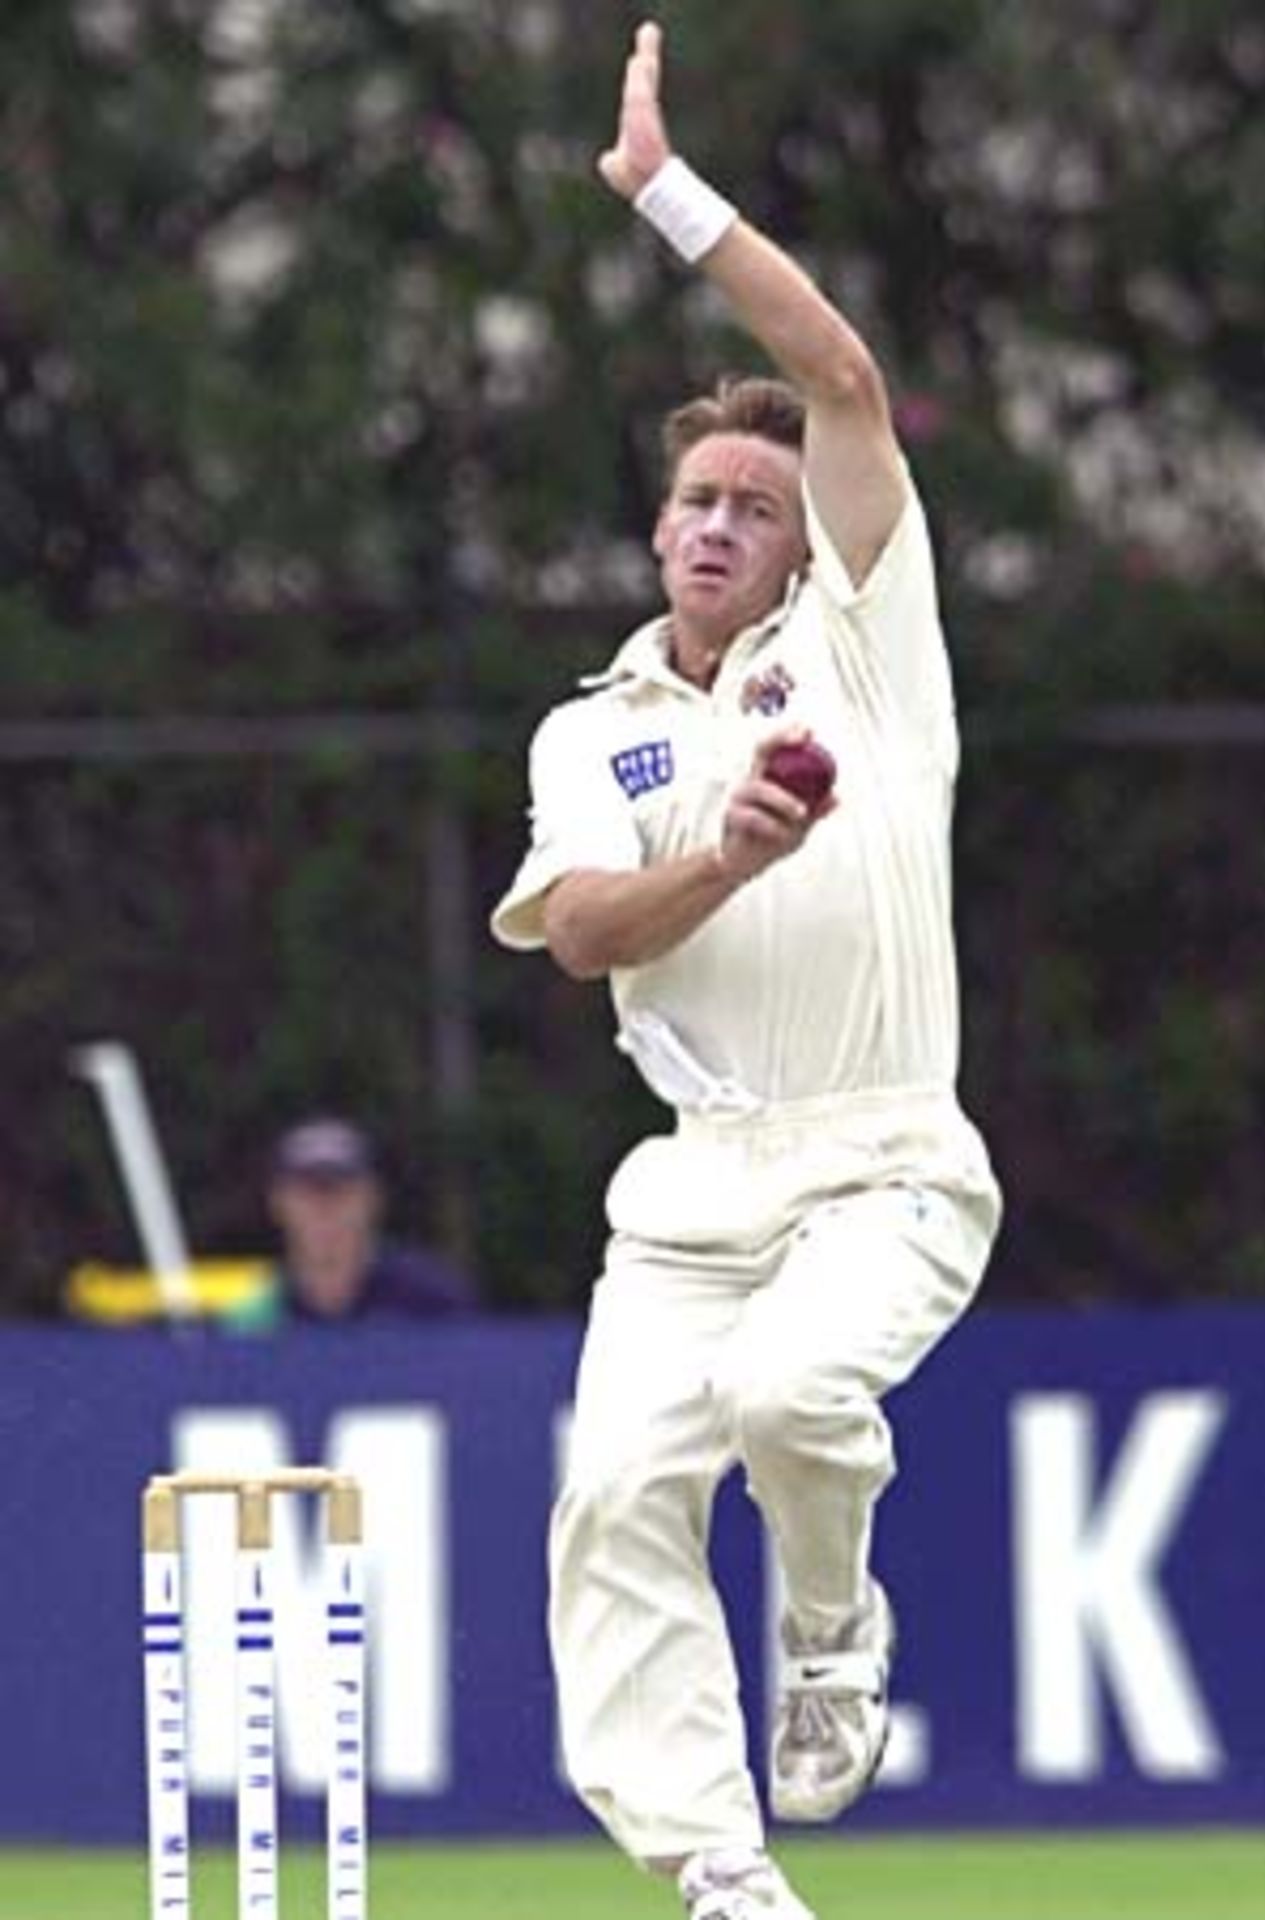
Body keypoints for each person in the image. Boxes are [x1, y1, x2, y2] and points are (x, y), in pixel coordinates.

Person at [491, 22, 1001, 1920]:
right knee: (617, 1499)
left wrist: (663, 193)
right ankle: (719, 1866)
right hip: (693, 1188)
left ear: (806, 552)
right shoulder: (588, 734)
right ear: (658, 524)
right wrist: (722, 855)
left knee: (796, 1401)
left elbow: (840, 372)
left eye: (754, 505)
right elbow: (590, 939)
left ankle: (832, 1624)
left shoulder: (870, 645)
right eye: (697, 497)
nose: (717, 522)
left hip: (882, 1161)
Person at [227, 1115, 474, 1329]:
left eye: (341, 1191)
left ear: (373, 1199)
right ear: (278, 1203)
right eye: (308, 1193)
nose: (325, 1209)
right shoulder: (251, 1315)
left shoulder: (429, 1301)